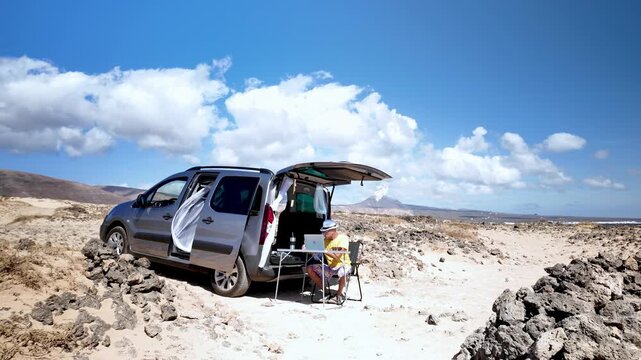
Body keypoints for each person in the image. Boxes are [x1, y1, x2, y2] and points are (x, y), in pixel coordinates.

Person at [306, 219, 351, 303]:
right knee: (310, 268)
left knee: (344, 270)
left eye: (325, 232)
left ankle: (339, 294)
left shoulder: (343, 239)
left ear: (333, 231)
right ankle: (326, 292)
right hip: (330, 267)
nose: (324, 234)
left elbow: (337, 257)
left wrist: (324, 250)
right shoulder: (324, 241)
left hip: (342, 265)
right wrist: (308, 248)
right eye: (323, 232)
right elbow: (317, 254)